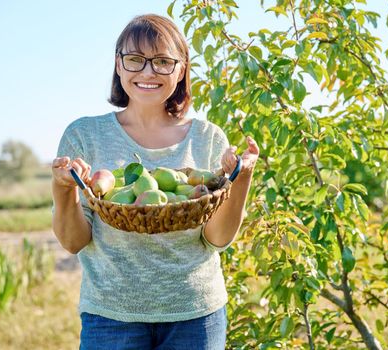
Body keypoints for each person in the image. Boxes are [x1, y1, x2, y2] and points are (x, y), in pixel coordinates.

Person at [51, 14, 259, 349]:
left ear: (181, 70)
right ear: (118, 66)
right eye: (135, 59)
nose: (148, 72)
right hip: (111, 317)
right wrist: (63, 191)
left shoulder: (207, 139)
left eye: (163, 61)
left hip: (195, 316)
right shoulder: (84, 136)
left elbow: (217, 239)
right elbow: (74, 242)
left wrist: (242, 178)